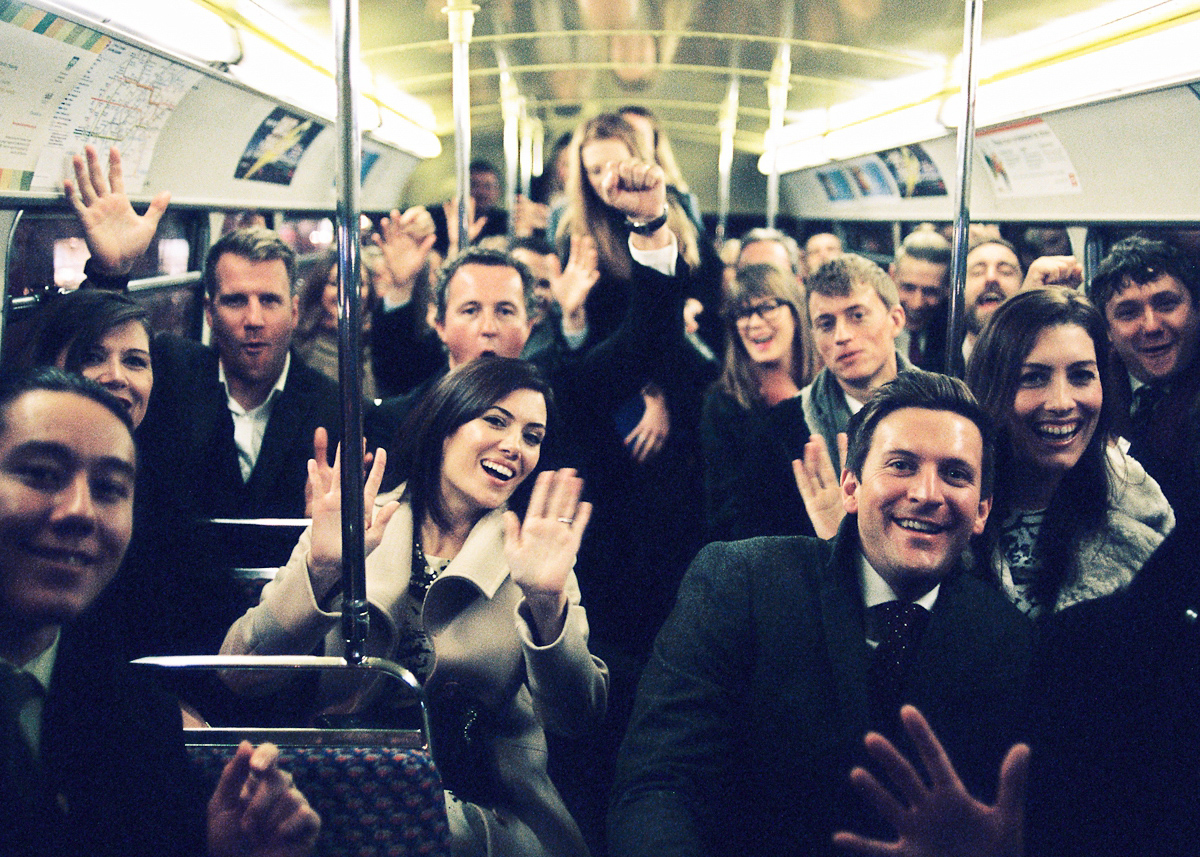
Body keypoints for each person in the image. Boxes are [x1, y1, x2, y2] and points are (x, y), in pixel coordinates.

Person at [609, 370, 1033, 857]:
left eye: (955, 474)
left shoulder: (1007, 641)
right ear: (851, 487)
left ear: (981, 511)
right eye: (900, 465)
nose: (927, 493)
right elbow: (659, 788)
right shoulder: (742, 582)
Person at [220, 356, 608, 857]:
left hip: (486, 807)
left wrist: (546, 602)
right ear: (446, 427)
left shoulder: (534, 556)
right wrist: (321, 571)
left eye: (533, 437)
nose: (515, 447)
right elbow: (239, 672)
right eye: (495, 421)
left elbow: (578, 719)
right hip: (340, 787)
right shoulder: (356, 525)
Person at [0, 367, 320, 857]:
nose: (80, 510)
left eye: (109, 488)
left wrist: (215, 849)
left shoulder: (136, 715)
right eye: (41, 474)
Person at [964, 287, 1173, 618]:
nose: (1062, 402)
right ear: (994, 387)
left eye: (1081, 376)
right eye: (1033, 378)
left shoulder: (1140, 512)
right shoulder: (944, 507)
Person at [1088, 234, 1200, 524]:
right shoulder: (1088, 392)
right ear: (1107, 331)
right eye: (1128, 313)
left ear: (1196, 311)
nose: (1151, 326)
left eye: (1166, 304)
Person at [699, 263, 814, 541]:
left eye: (767, 307)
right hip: (759, 561)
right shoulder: (723, 404)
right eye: (742, 313)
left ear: (796, 312)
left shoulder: (827, 388)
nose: (753, 323)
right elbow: (727, 515)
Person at [293, 248, 378, 399]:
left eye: (359, 283)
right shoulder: (299, 342)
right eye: (335, 283)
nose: (348, 291)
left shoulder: (380, 341)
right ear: (320, 288)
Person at [891, 228, 951, 372]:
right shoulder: (869, 327)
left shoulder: (953, 334)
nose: (917, 303)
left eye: (930, 291)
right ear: (892, 276)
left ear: (947, 289)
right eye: (908, 288)